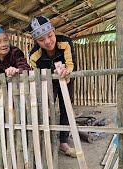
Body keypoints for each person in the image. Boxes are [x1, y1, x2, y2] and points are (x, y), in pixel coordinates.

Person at [27, 16, 77, 158]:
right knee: (46, 108)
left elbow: (71, 64)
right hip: (46, 83)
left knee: (66, 107)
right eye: (42, 40)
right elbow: (36, 77)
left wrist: (66, 71)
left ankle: (63, 142)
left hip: (66, 78)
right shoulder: (34, 56)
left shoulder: (66, 42)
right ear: (36, 41)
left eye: (50, 36)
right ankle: (46, 141)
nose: (48, 42)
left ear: (54, 31)